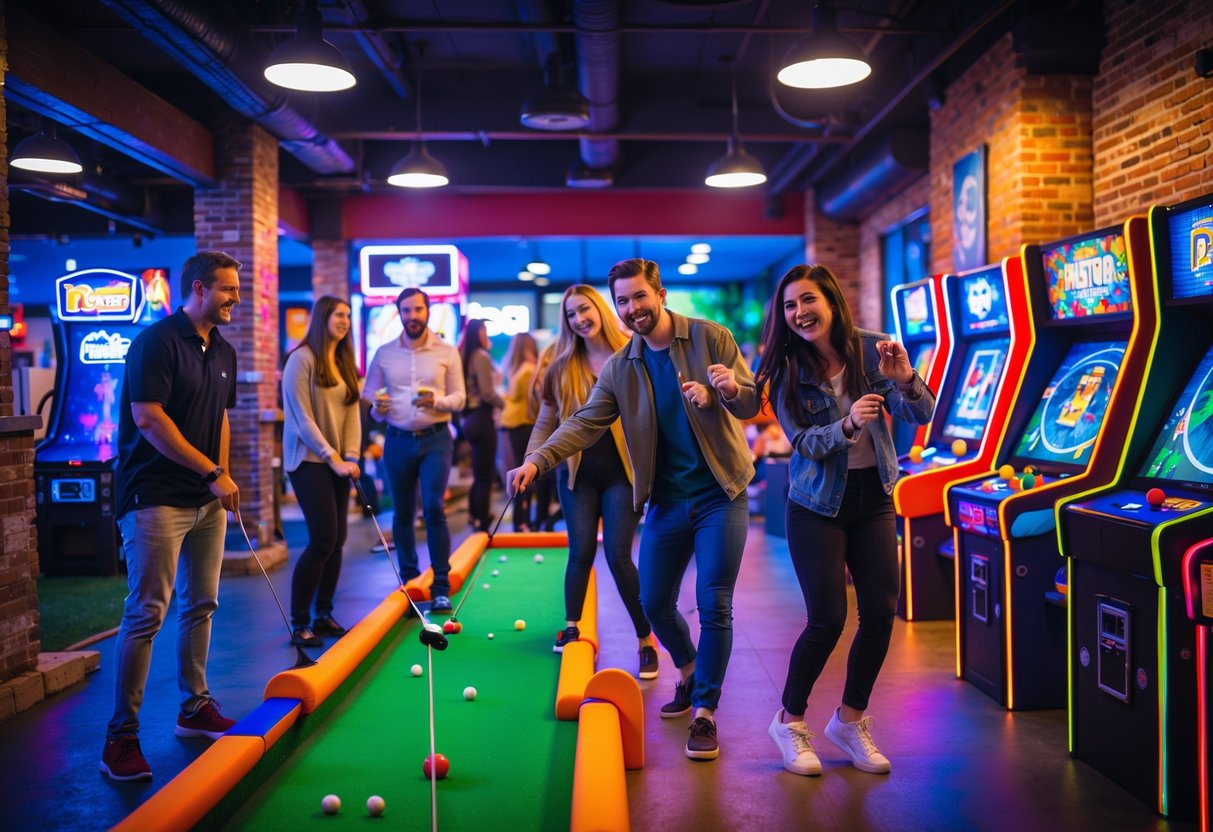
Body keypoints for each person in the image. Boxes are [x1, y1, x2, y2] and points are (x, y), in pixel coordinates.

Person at [510, 258, 758, 761]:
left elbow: (752, 403)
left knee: (713, 602)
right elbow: (583, 422)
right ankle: (689, 672)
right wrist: (537, 460)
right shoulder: (621, 367)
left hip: (720, 493)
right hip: (666, 501)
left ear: (660, 294)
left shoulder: (710, 337)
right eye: (622, 300)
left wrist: (726, 392)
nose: (632, 308)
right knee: (653, 601)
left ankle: (705, 713)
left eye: (639, 296)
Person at [755, 264, 935, 777]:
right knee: (828, 618)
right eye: (790, 305)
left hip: (873, 497)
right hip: (815, 504)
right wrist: (849, 423)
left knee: (879, 613)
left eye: (808, 300)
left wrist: (906, 379)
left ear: (831, 301)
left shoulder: (874, 348)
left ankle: (849, 721)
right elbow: (805, 443)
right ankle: (789, 721)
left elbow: (920, 413)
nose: (799, 313)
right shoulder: (786, 369)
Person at [101, 251, 243, 782]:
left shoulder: (224, 349)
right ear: (199, 288)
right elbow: (148, 418)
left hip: (206, 500)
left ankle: (194, 708)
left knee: (201, 603)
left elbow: (221, 416)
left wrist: (220, 476)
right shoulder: (155, 342)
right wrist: (212, 471)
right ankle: (119, 739)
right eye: (227, 289)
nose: (235, 299)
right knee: (147, 613)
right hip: (155, 498)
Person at [527, 286, 658, 679]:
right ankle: (571, 627)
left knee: (618, 556)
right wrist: (532, 462)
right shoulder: (561, 366)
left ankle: (646, 640)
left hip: (623, 475)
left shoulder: (633, 353)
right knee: (580, 551)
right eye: (570, 314)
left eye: (584, 309)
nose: (579, 319)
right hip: (576, 476)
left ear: (599, 308)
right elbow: (545, 421)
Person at [364, 288, 466, 613]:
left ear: (427, 311)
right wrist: (378, 407)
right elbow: (369, 397)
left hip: (436, 438)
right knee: (403, 512)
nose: (412, 316)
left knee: (434, 507)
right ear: (399, 313)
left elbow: (460, 398)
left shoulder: (447, 351)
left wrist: (437, 401)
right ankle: (410, 585)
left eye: (418, 309)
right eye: (406, 310)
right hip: (397, 439)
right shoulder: (384, 353)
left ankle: (440, 587)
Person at [282, 296, 362, 648]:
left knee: (338, 540)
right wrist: (333, 457)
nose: (345, 321)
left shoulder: (343, 360)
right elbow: (302, 420)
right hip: (308, 461)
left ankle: (323, 614)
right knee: (322, 539)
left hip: (339, 463)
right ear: (322, 318)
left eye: (348, 315)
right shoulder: (301, 359)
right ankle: (299, 622)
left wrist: (352, 455)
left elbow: (352, 414)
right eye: (338, 315)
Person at [458, 318, 504, 531]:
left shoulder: (464, 355)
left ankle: (474, 515)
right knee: (485, 475)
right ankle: (482, 519)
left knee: (479, 472)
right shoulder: (481, 356)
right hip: (482, 418)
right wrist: (502, 402)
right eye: (485, 331)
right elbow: (487, 393)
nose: (488, 335)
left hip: (468, 419)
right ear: (479, 333)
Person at [500, 332, 539, 531]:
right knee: (526, 473)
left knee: (518, 469)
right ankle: (523, 522)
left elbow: (511, 395)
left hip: (512, 423)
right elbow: (534, 398)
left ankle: (519, 520)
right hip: (525, 422)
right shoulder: (529, 369)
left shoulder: (514, 369)